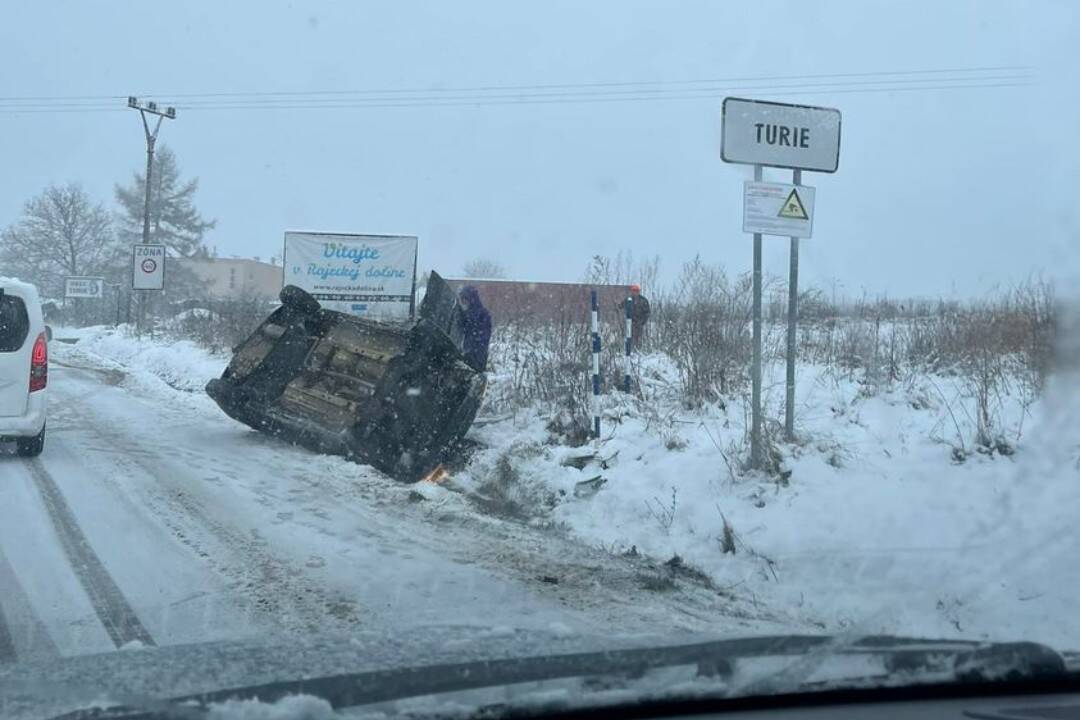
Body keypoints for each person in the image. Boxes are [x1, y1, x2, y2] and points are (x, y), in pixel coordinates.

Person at [459, 285, 492, 371]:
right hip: (469, 355)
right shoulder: (467, 313)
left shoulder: (482, 314)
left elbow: (484, 336)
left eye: (465, 299)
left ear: (471, 299)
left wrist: (471, 352)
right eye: (462, 300)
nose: (464, 302)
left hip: (476, 356)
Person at [626, 284, 651, 349]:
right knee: (629, 337)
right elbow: (620, 306)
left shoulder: (643, 300)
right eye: (633, 290)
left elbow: (647, 312)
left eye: (636, 290)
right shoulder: (629, 300)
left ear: (639, 291)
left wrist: (642, 322)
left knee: (638, 338)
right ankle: (630, 350)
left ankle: (638, 351)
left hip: (639, 323)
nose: (635, 292)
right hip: (630, 323)